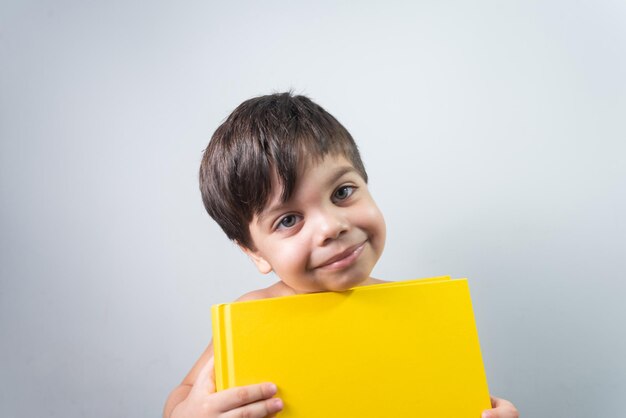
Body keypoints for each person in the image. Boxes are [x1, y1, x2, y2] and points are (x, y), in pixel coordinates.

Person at [163, 92, 519, 418]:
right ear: (255, 253)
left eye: (342, 192)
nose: (331, 227)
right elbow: (183, 394)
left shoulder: (417, 312)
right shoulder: (252, 319)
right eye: (289, 219)